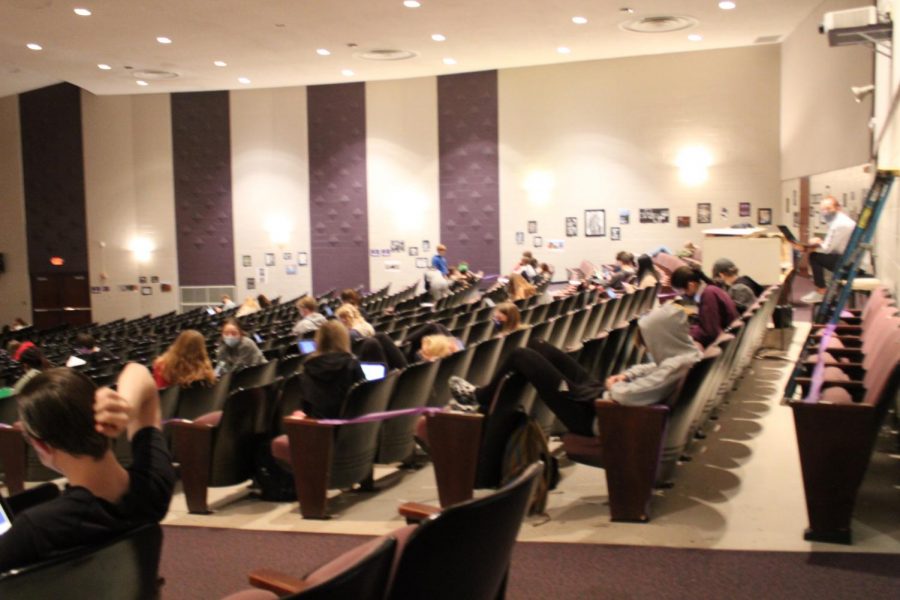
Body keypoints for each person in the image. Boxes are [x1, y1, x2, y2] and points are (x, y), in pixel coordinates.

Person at [0, 363, 176, 572]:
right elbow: (141, 374)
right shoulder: (153, 485)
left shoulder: (35, 530)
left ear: (41, 445)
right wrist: (125, 405)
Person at [449, 303, 702, 436]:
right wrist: (626, 375)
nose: (646, 347)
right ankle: (484, 401)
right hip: (597, 401)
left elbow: (627, 396)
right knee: (539, 346)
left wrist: (619, 385)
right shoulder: (683, 356)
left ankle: (481, 398)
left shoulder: (675, 365)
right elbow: (652, 369)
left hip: (594, 415)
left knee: (521, 355)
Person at [298, 321, 366, 419]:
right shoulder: (352, 364)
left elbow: (306, 406)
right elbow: (363, 400)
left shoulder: (307, 366)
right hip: (350, 426)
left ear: (318, 340)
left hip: (317, 426)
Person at [800, 196, 856, 304]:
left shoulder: (840, 224)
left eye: (828, 208)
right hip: (846, 258)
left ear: (838, 208)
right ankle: (821, 289)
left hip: (850, 264)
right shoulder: (839, 222)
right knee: (817, 256)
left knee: (814, 257)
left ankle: (821, 291)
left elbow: (827, 249)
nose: (825, 212)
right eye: (823, 209)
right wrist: (818, 243)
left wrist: (818, 242)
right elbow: (830, 246)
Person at [670, 266, 739, 348]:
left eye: (680, 291)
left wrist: (687, 333)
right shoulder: (710, 290)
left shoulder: (708, 295)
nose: (681, 295)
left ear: (691, 285)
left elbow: (711, 332)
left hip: (726, 344)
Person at [152, 330, 217, 389]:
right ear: (202, 348)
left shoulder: (162, 365)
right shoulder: (205, 367)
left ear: (178, 343)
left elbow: (160, 392)